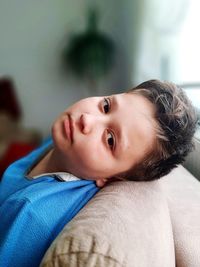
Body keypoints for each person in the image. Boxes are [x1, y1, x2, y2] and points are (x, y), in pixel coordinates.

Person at [0, 79, 197, 267]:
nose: (87, 119)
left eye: (110, 140)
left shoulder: (29, 216)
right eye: (106, 106)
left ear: (112, 177)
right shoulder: (65, 145)